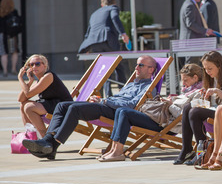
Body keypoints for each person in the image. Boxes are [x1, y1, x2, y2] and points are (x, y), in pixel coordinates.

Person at [23, 55, 157, 160]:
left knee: (74, 110)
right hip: (105, 105)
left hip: (114, 112)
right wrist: (100, 100)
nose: (136, 68)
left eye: (140, 65)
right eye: (136, 65)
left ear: (151, 69)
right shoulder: (131, 84)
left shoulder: (148, 88)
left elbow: (130, 105)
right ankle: (48, 142)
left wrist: (104, 101)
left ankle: (51, 145)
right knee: (62, 105)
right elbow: (117, 98)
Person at [96, 63, 204, 162]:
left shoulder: (199, 94)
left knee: (124, 112)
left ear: (195, 78)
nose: (183, 84)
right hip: (158, 118)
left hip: (166, 125)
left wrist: (170, 104)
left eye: (185, 80)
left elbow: (185, 115)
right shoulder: (187, 91)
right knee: (120, 110)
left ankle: (117, 152)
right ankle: (114, 150)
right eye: (182, 80)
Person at [174, 51, 222, 165]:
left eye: (210, 68)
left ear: (219, 66)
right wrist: (205, 96)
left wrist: (217, 91)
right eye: (205, 68)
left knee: (194, 112)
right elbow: (210, 103)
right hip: (215, 109)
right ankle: (187, 149)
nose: (207, 71)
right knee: (187, 108)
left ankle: (203, 152)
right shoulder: (211, 78)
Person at [78, 0, 130, 97]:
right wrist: (123, 33)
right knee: (118, 65)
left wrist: (86, 48)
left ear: (102, 4)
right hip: (108, 40)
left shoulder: (94, 13)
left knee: (105, 67)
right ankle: (123, 92)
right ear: (114, 3)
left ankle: (108, 94)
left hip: (94, 43)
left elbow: (89, 31)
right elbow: (115, 17)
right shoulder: (113, 8)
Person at [18, 54, 72, 138]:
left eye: (37, 64)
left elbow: (28, 94)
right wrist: (30, 81)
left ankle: (45, 138)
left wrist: (20, 78)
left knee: (29, 107)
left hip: (63, 106)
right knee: (23, 105)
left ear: (45, 65)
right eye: (31, 65)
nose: (34, 66)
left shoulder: (48, 76)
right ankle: (31, 136)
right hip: (52, 105)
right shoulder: (38, 81)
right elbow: (21, 99)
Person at [179, 0, 215, 64]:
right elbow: (190, 24)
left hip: (193, 43)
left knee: (193, 68)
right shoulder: (189, 5)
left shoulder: (191, 4)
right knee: (191, 68)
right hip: (191, 43)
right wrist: (205, 31)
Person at [0, 0, 21, 76]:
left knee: (3, 52)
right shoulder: (14, 11)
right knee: (14, 51)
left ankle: (5, 70)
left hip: (2, 34)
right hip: (12, 34)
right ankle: (13, 69)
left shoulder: (1, 12)